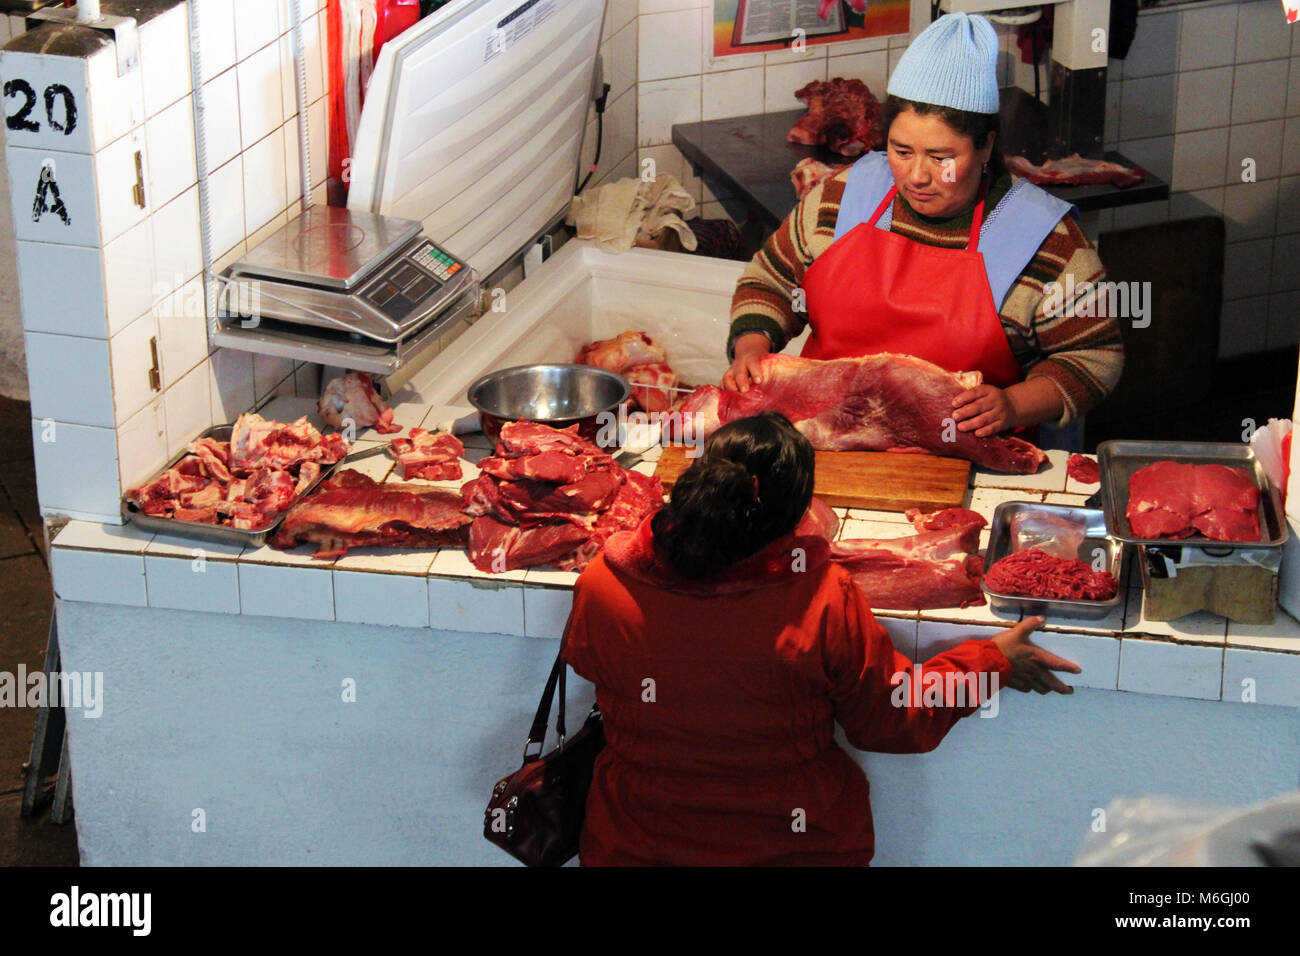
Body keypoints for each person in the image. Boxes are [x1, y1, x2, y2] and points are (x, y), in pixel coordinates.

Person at [562, 412, 1079, 865]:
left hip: (634, 845)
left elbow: (591, 662)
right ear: (796, 516)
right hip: (790, 847)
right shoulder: (822, 598)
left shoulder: (605, 583)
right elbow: (892, 720)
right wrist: (992, 661)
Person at [723, 13, 1123, 441]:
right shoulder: (842, 198)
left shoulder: (1046, 239)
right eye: (901, 150)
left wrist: (1013, 404)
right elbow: (771, 281)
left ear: (986, 145)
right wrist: (752, 346)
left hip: (967, 457)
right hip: (823, 441)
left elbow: (1093, 356)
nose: (916, 175)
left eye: (940, 156)